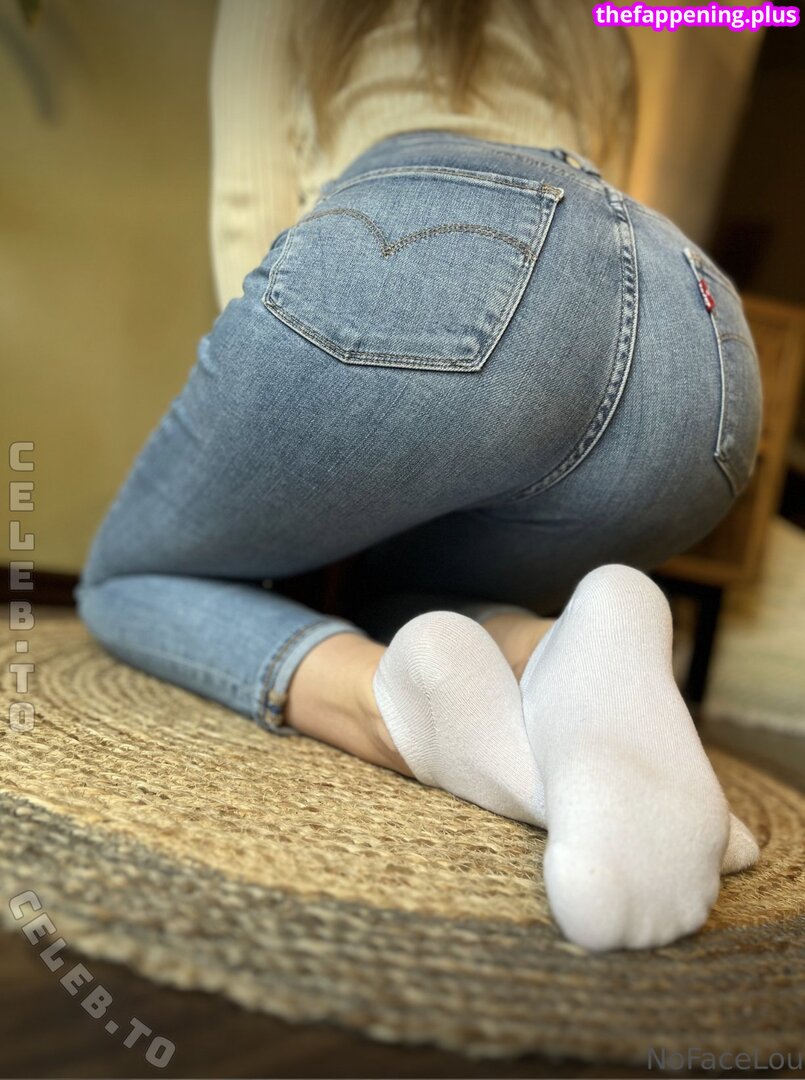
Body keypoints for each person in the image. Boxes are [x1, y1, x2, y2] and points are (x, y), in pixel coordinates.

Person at [75, 0, 764, 952]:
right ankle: (556, 652)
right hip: (700, 343)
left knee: (125, 576)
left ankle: (392, 711)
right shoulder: (591, 24)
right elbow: (591, 207)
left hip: (435, 248)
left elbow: (249, 207)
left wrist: (286, 421)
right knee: (396, 593)